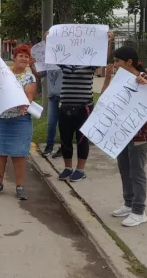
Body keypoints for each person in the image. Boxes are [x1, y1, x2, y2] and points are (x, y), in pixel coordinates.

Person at [102, 46, 147, 227]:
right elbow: (106, 97)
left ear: (128, 62)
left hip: (140, 133)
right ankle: (128, 203)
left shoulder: (145, 79)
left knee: (137, 171)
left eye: (117, 61)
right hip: (122, 132)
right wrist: (107, 78)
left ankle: (139, 210)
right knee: (124, 168)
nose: (114, 65)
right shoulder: (120, 79)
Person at [52, 30, 115, 182]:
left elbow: (102, 56)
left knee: (82, 139)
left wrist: (108, 41)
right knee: (65, 139)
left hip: (84, 107)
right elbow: (52, 51)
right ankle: (68, 168)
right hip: (66, 106)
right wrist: (49, 38)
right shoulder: (65, 62)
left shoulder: (90, 63)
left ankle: (80, 170)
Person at [0, 45, 36, 200]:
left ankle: (20, 186)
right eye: (21, 55)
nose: (24, 59)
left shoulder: (29, 77)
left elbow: (29, 94)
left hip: (20, 120)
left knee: (19, 154)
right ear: (14, 57)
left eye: (26, 56)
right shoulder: (2, 72)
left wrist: (25, 103)